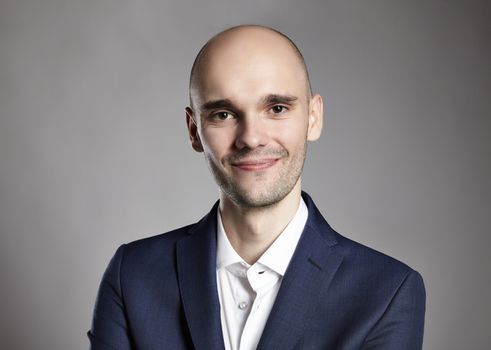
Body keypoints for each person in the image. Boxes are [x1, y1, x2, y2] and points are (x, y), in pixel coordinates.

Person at [88, 25, 426, 350]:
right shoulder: (132, 275)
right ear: (193, 131)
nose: (251, 137)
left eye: (277, 108)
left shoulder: (387, 291)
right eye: (222, 114)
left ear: (313, 117)